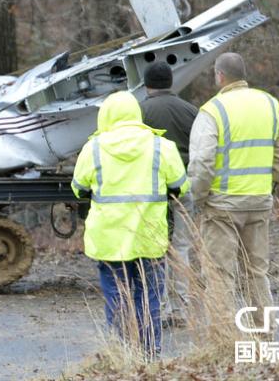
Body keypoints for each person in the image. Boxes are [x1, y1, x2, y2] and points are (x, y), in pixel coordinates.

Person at [72, 91, 189, 358]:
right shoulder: (161, 146)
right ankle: (149, 353)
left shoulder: (93, 148)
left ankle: (121, 353)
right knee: (149, 296)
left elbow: (78, 188)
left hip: (109, 239)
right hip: (150, 236)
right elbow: (181, 185)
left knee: (117, 295)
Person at [188, 52, 279, 328]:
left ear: (220, 76)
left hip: (221, 207)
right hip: (259, 202)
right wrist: (269, 185)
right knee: (257, 272)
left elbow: (202, 162)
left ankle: (224, 338)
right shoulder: (268, 104)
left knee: (220, 274)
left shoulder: (212, 110)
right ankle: (264, 332)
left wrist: (198, 198)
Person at [139, 61, 199, 328]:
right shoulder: (191, 111)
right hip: (184, 186)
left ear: (146, 84)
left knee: (156, 249)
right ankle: (181, 310)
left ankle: (160, 309)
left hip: (152, 190)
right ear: (171, 82)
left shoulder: (140, 112)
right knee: (181, 247)